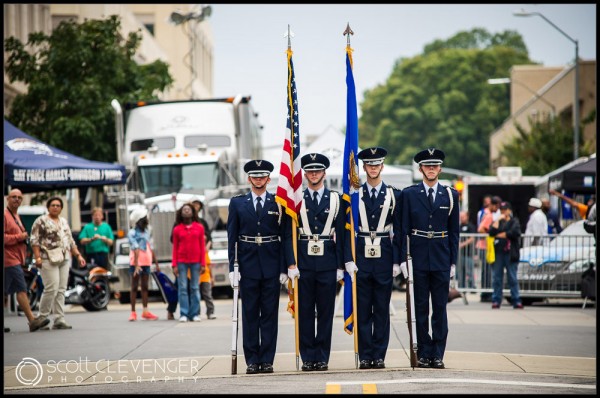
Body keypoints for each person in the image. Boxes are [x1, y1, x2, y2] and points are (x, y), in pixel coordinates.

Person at [226, 159, 293, 375]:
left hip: (272, 265)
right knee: (250, 314)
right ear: (249, 178)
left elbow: (284, 237)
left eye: (262, 176)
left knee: (270, 316)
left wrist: (284, 268)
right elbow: (231, 238)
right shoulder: (237, 203)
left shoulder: (278, 202)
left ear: (268, 179)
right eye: (255, 176)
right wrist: (231, 269)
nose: (258, 179)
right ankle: (252, 360)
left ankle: (267, 359)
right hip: (247, 266)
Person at [400, 147, 459, 370]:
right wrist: (403, 261)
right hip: (418, 258)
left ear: (440, 168)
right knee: (420, 308)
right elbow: (403, 229)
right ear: (420, 168)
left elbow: (454, 232)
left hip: (441, 258)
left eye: (435, 165)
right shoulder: (409, 194)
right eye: (427, 165)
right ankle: (424, 353)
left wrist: (453, 261)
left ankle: (438, 353)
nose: (431, 168)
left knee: (440, 309)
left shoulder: (450, 194)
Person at [288, 153, 347, 372]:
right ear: (304, 174)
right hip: (302, 263)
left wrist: (341, 265)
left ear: (324, 173)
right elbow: (288, 234)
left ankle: (321, 357)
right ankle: (307, 357)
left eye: (318, 171)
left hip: (327, 263)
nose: (314, 174)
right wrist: (290, 264)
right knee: (304, 312)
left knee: (324, 312)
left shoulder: (336, 199)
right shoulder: (295, 200)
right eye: (310, 171)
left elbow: (341, 235)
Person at [352, 147, 402, 370]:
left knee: (381, 308)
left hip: (384, 255)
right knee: (363, 309)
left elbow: (399, 232)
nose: (373, 168)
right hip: (361, 253)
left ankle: (379, 355)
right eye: (369, 165)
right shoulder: (354, 195)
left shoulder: (394, 195)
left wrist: (397, 262)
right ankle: (365, 355)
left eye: (377, 164)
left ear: (382, 166)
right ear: (364, 167)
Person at [30, 196, 87, 330]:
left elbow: (71, 241)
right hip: (47, 257)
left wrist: (78, 256)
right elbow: (34, 240)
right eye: (53, 205)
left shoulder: (63, 221)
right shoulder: (41, 220)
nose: (55, 207)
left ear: (61, 208)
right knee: (51, 288)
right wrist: (38, 258)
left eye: (58, 205)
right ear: (48, 207)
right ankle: (42, 318)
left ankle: (59, 319)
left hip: (64, 257)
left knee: (61, 289)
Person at [4, 189, 50, 332]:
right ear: (7, 199)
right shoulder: (5, 215)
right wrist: (20, 237)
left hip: (16, 258)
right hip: (9, 259)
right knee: (21, 288)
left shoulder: (16, 216)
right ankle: (32, 320)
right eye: (13, 197)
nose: (16, 199)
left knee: (5, 292)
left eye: (19, 197)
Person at [172, 202, 205, 322]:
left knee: (195, 287)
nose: (186, 211)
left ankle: (194, 313)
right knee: (183, 288)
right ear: (180, 213)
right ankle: (184, 313)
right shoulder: (177, 229)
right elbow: (175, 247)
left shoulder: (200, 227)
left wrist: (203, 263)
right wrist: (174, 264)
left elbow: (202, 246)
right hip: (181, 261)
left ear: (192, 212)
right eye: (184, 209)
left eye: (188, 209)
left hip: (196, 261)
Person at [488, 201, 523, 309]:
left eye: (505, 209)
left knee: (512, 277)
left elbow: (514, 233)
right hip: (499, 253)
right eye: (501, 210)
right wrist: (498, 220)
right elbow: (491, 232)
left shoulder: (514, 221)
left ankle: (516, 300)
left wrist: (501, 234)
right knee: (497, 278)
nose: (503, 212)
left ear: (509, 210)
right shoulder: (500, 221)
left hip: (510, 253)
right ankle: (496, 300)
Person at [127, 207, 160, 321]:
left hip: (146, 262)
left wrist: (156, 263)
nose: (147, 220)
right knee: (134, 287)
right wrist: (136, 264)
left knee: (145, 287)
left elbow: (150, 246)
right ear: (139, 220)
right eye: (145, 218)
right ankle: (133, 312)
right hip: (135, 263)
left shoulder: (147, 231)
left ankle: (145, 311)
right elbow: (135, 248)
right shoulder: (132, 233)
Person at [192, 198, 216, 320]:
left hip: (203, 258)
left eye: (198, 206)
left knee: (206, 292)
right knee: (192, 291)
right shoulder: (185, 223)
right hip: (191, 261)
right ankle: (195, 312)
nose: (196, 208)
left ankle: (210, 311)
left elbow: (209, 237)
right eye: (193, 205)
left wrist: (207, 246)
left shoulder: (202, 223)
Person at [477, 195, 501, 302]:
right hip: (484, 246)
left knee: (486, 271)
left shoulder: (486, 213)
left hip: (484, 246)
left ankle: (485, 293)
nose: (497, 209)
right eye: (497, 207)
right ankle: (486, 294)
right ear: (494, 205)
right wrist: (490, 234)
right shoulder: (489, 215)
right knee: (487, 271)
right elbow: (481, 229)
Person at [458, 210, 476, 289]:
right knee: (461, 271)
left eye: (463, 216)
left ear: (467, 217)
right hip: (460, 254)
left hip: (468, 253)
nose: (461, 218)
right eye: (460, 217)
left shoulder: (471, 226)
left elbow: (472, 238)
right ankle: (461, 287)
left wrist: (462, 244)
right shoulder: (458, 226)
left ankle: (472, 287)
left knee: (469, 271)